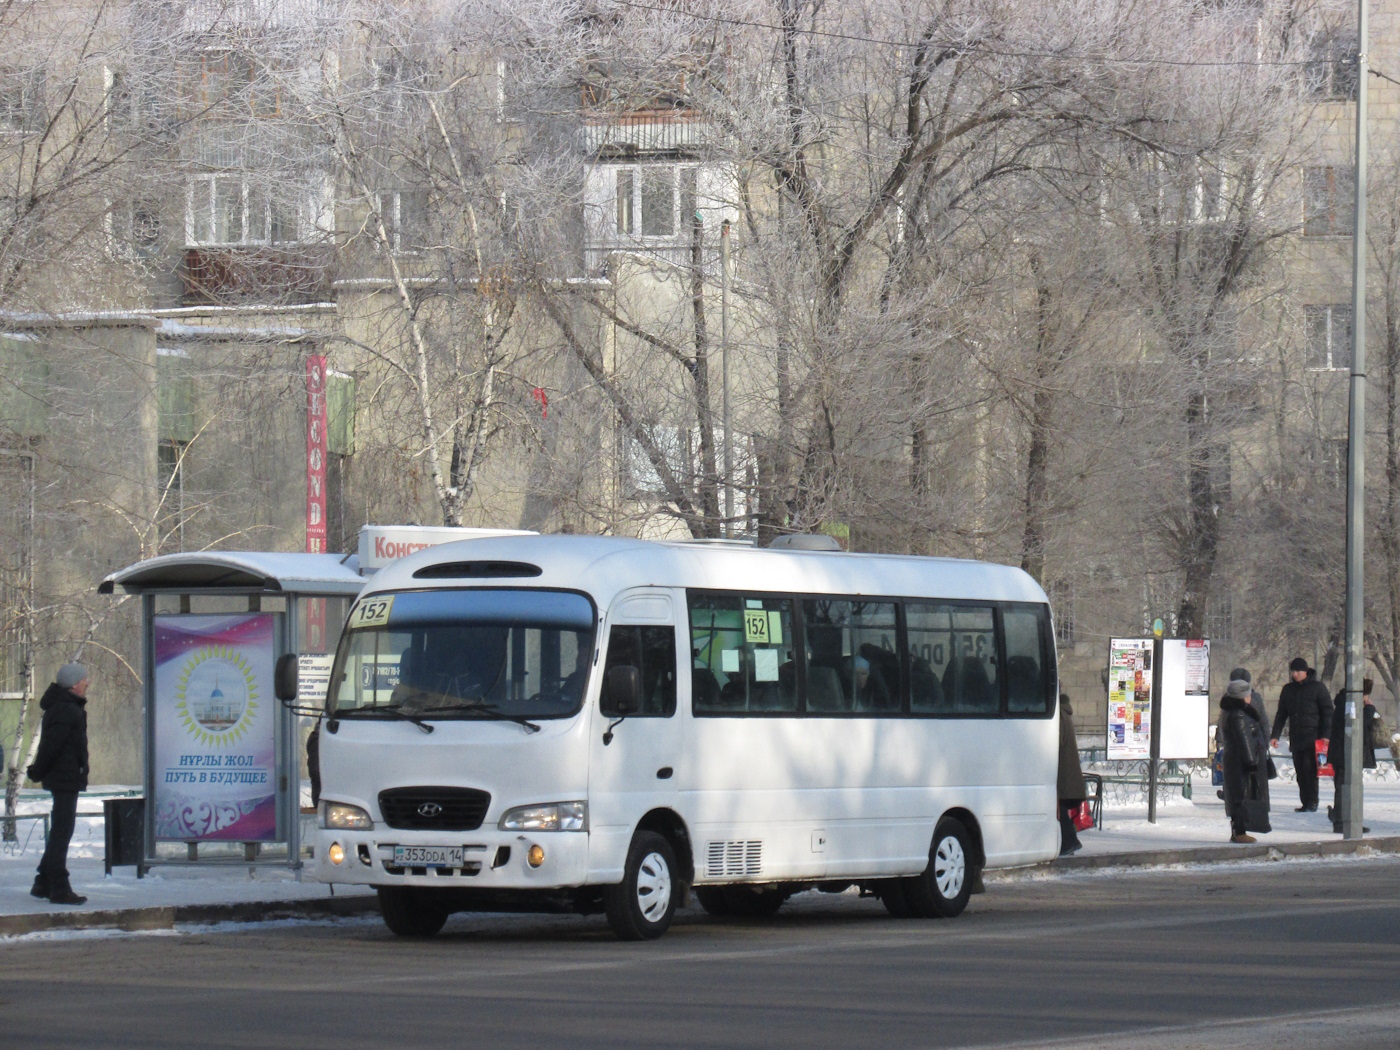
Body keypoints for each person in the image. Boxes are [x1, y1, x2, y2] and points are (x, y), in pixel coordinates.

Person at [25, 662, 91, 905]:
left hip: (66, 777)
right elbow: (52, 746)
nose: (87, 683)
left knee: (60, 831)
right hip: (64, 778)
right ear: (74, 684)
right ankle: (59, 888)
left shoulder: (66, 707)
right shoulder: (65, 709)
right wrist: (38, 771)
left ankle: (43, 882)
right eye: (84, 679)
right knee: (62, 832)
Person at [1271, 657, 1333, 812]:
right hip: (1297, 737)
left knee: (1310, 770)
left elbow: (1327, 712)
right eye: (1293, 671)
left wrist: (1326, 735)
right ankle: (1305, 802)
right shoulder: (1288, 690)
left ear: (1305, 671)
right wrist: (1275, 735)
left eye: (1298, 671)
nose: (1295, 674)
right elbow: (1281, 714)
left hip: (1314, 737)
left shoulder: (1318, 688)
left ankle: (1312, 801)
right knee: (1300, 771)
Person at [1220, 678, 1271, 843]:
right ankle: (1240, 832)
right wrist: (1251, 763)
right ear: (1242, 696)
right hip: (1241, 762)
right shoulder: (1238, 714)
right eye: (1248, 694)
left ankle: (1238, 830)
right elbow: (1244, 739)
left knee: (1238, 795)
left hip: (1235, 760)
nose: (1250, 697)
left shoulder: (1231, 710)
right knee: (1241, 796)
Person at [1327, 677, 1379, 834]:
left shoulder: (1345, 702)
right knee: (1345, 788)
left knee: (1345, 787)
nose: (1367, 699)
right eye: (1366, 696)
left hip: (1344, 753)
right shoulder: (1348, 704)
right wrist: (1370, 710)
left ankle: (1347, 819)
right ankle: (1343, 821)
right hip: (1344, 754)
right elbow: (1358, 725)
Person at [1057, 694, 1088, 856]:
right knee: (1060, 809)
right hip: (1067, 774)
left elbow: (1057, 741)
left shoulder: (1059, 715)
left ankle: (1069, 842)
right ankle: (1068, 843)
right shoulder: (1064, 713)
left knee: (1060, 809)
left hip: (1063, 775)